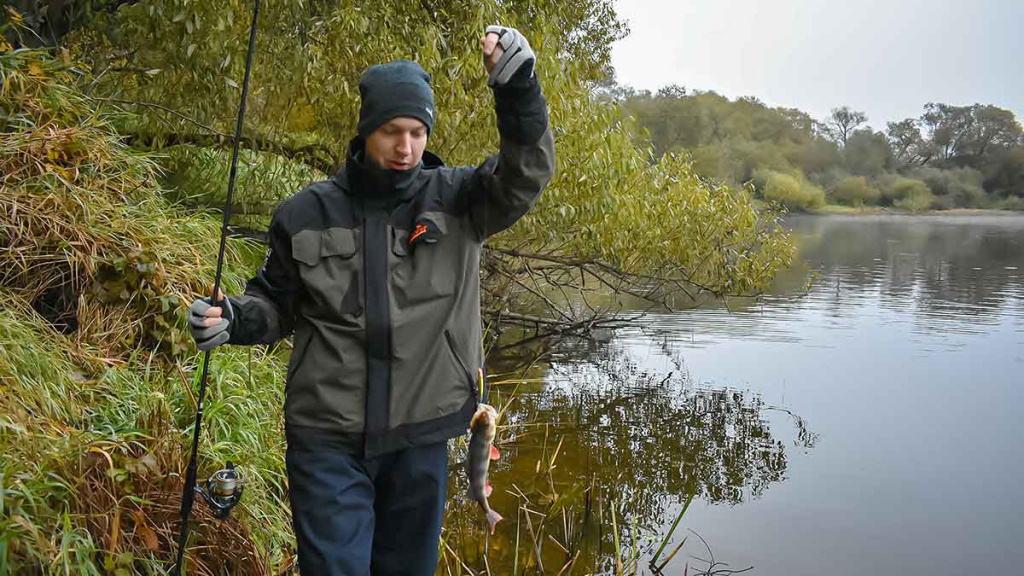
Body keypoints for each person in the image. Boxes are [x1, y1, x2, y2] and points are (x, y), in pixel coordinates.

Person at [187, 26, 554, 576]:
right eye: (390, 132)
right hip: (326, 439)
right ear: (366, 132)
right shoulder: (305, 213)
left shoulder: (462, 201)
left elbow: (527, 172)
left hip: (422, 435)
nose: (406, 148)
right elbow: (276, 305)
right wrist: (232, 319)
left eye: (416, 132)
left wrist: (518, 89)